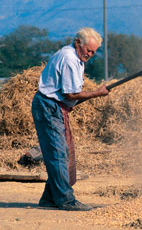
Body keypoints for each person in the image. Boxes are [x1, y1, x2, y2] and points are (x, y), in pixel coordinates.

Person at [32, 27, 109, 211]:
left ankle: (49, 199)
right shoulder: (69, 59)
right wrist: (97, 93)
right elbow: (70, 93)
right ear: (78, 43)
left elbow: (67, 95)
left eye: (94, 52)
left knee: (60, 153)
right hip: (48, 106)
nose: (90, 55)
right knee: (58, 153)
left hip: (53, 105)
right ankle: (66, 200)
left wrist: (70, 104)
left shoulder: (75, 57)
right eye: (88, 50)